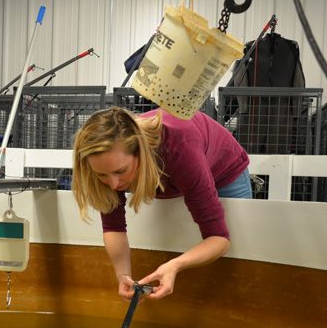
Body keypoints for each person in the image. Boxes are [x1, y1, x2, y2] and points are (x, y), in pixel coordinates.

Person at [72, 106, 251, 301]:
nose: (114, 184)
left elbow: (219, 238)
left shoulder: (179, 149)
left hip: (223, 169)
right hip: (173, 170)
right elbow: (113, 227)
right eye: (102, 175)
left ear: (140, 152)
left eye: (120, 171)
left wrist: (175, 265)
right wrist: (123, 276)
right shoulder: (110, 160)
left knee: (239, 248)